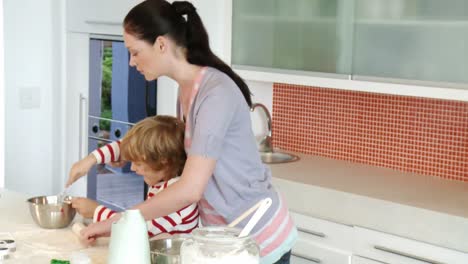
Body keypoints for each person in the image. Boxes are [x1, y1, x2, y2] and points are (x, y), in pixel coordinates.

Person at [66, 0, 297, 263]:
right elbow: (160, 141)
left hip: (256, 237)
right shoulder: (187, 90)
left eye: (135, 52)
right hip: (221, 237)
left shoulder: (215, 93)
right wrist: (97, 158)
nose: (131, 62)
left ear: (161, 44)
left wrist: (119, 220)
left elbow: (190, 189)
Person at [70, 115, 198, 238]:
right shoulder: (167, 180)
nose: (132, 168)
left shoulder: (177, 199)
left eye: (138, 163)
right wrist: (91, 159)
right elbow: (127, 145)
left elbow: (137, 232)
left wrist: (95, 211)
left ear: (164, 161)